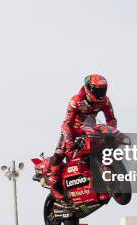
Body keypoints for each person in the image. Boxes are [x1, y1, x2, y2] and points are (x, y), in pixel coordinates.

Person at [48, 74, 117, 206]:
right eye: (98, 90)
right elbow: (67, 123)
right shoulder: (75, 100)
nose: (101, 94)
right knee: (59, 153)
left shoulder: (105, 101)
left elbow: (111, 118)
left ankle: (103, 176)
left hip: (90, 129)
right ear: (88, 88)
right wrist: (69, 142)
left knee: (104, 148)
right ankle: (55, 184)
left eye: (103, 90)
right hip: (72, 131)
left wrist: (111, 132)